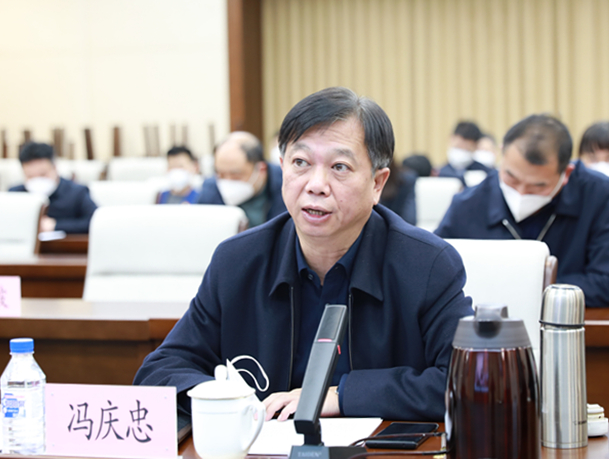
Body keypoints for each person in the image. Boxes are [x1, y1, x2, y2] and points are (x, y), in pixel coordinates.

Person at [135, 87, 473, 426]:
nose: (316, 184)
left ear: (377, 183)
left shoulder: (427, 265)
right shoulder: (237, 261)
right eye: (301, 163)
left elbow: (463, 381)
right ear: (282, 168)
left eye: (339, 167)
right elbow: (161, 371)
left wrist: (341, 396)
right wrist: (227, 401)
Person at [435, 114, 609, 308]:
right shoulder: (468, 204)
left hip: (566, 321)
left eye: (538, 186)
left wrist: (531, 288)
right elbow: (436, 274)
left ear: (566, 173)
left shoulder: (597, 195)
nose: (521, 193)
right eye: (511, 178)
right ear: (502, 154)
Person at [197, 132, 286, 228]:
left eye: (236, 176)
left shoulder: (285, 184)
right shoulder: (210, 189)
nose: (227, 181)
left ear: (261, 169)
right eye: (221, 175)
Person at [9, 142, 98, 234]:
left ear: (54, 168)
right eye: (30, 176)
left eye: (42, 175)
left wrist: (56, 225)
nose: (37, 181)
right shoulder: (16, 194)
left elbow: (95, 222)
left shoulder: (77, 192)